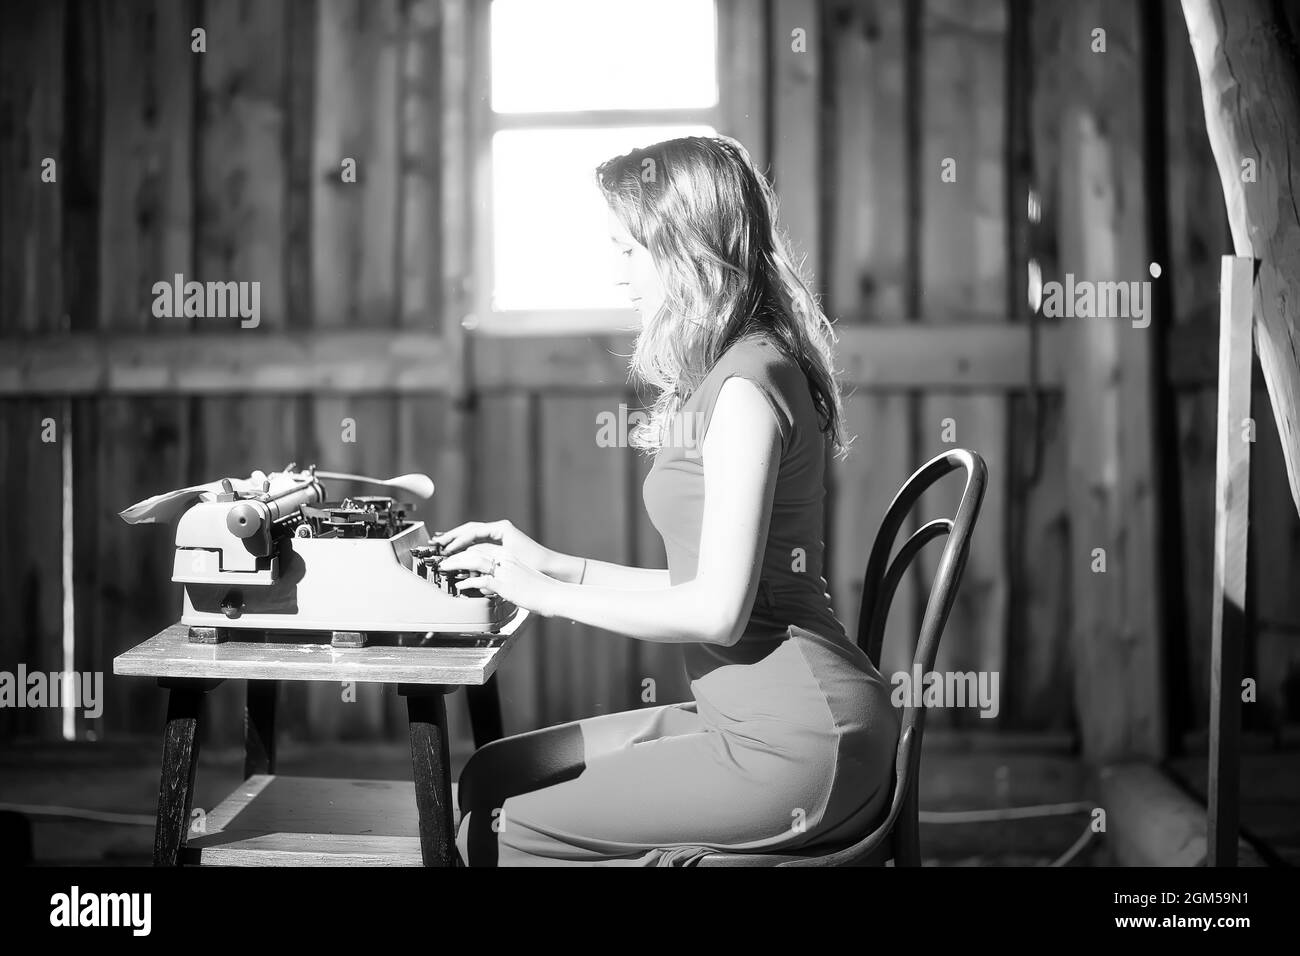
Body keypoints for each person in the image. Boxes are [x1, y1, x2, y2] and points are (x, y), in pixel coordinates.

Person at [436, 135, 899, 866]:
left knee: (489, 835)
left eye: (629, 249)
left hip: (797, 741)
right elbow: (706, 586)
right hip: (740, 714)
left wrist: (543, 597)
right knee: (489, 775)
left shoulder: (748, 383)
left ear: (686, 251)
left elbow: (716, 611)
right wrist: (550, 564)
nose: (619, 272)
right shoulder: (729, 371)